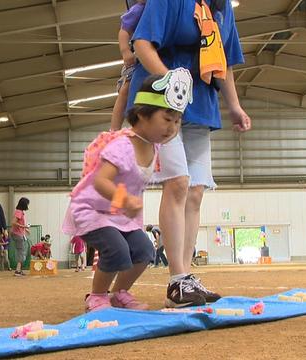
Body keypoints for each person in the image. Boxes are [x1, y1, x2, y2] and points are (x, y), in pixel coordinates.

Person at [114, 0, 251, 307]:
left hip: (201, 101)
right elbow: (142, 43)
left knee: (196, 190)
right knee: (177, 182)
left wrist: (235, 105)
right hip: (161, 99)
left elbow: (224, 62)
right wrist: (171, 81)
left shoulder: (222, 7)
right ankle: (177, 281)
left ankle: (186, 277)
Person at [62, 71, 185, 311]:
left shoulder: (155, 147)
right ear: (142, 115)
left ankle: (120, 293)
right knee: (116, 250)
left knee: (144, 250)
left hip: (120, 215)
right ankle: (97, 296)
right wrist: (125, 199)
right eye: (167, 119)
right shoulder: (123, 145)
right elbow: (100, 182)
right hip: (92, 209)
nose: (173, 127)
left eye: (178, 121)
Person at [110, 0, 146, 131]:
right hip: (136, 57)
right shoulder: (138, 9)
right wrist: (126, 51)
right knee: (126, 90)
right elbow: (124, 31)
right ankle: (114, 129)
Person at [10, 197, 30, 276]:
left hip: (18, 233)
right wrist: (24, 226)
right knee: (21, 251)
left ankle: (19, 270)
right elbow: (13, 222)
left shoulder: (20, 212)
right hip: (17, 234)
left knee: (21, 251)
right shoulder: (19, 212)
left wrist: (25, 229)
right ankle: (18, 270)